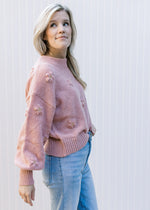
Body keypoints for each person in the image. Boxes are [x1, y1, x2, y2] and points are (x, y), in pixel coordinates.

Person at [14, 3, 98, 209]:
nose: (61, 29)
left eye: (65, 23)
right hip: (63, 162)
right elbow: (34, 124)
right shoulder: (45, 71)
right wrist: (26, 174)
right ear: (44, 35)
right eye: (53, 25)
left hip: (80, 157)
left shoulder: (65, 65)